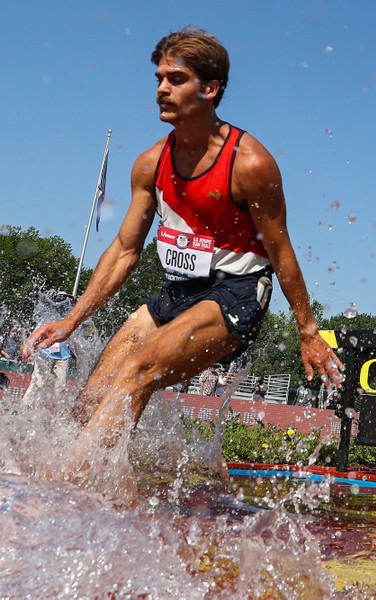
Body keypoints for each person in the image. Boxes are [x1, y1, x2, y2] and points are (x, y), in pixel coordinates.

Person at [23, 27, 343, 472]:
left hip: (237, 293)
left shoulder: (250, 164)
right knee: (89, 403)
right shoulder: (151, 163)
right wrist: (71, 322)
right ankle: (118, 490)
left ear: (210, 89)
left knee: (138, 371)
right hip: (179, 290)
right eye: (158, 78)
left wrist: (308, 331)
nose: (160, 89)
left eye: (175, 79)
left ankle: (71, 487)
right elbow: (123, 250)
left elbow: (282, 251)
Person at [20, 291, 76, 408]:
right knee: (38, 383)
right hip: (45, 355)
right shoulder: (47, 317)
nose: (64, 302)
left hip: (63, 357)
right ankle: (25, 407)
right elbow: (36, 334)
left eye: (66, 299)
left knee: (59, 387)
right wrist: (31, 349)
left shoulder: (69, 319)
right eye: (62, 299)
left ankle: (49, 410)